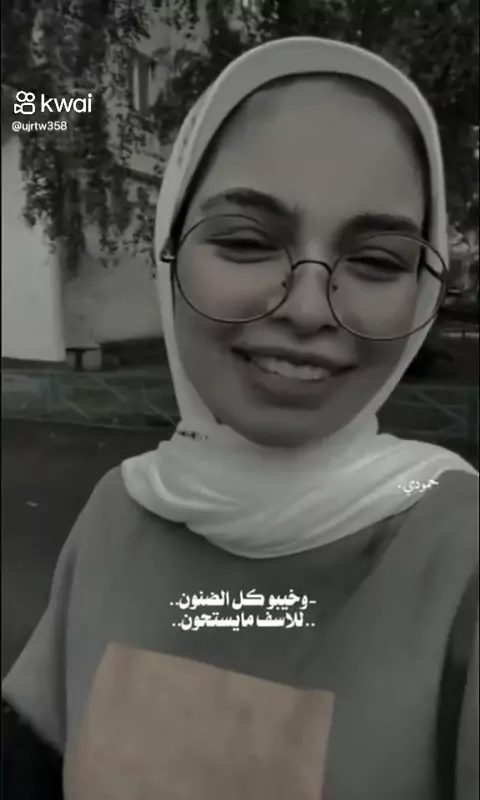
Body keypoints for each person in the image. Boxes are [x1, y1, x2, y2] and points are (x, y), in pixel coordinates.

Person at [2, 37, 478, 800]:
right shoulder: (119, 515)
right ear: (169, 253)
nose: (307, 309)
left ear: (422, 293)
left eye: (378, 262)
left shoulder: (461, 559)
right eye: (248, 242)